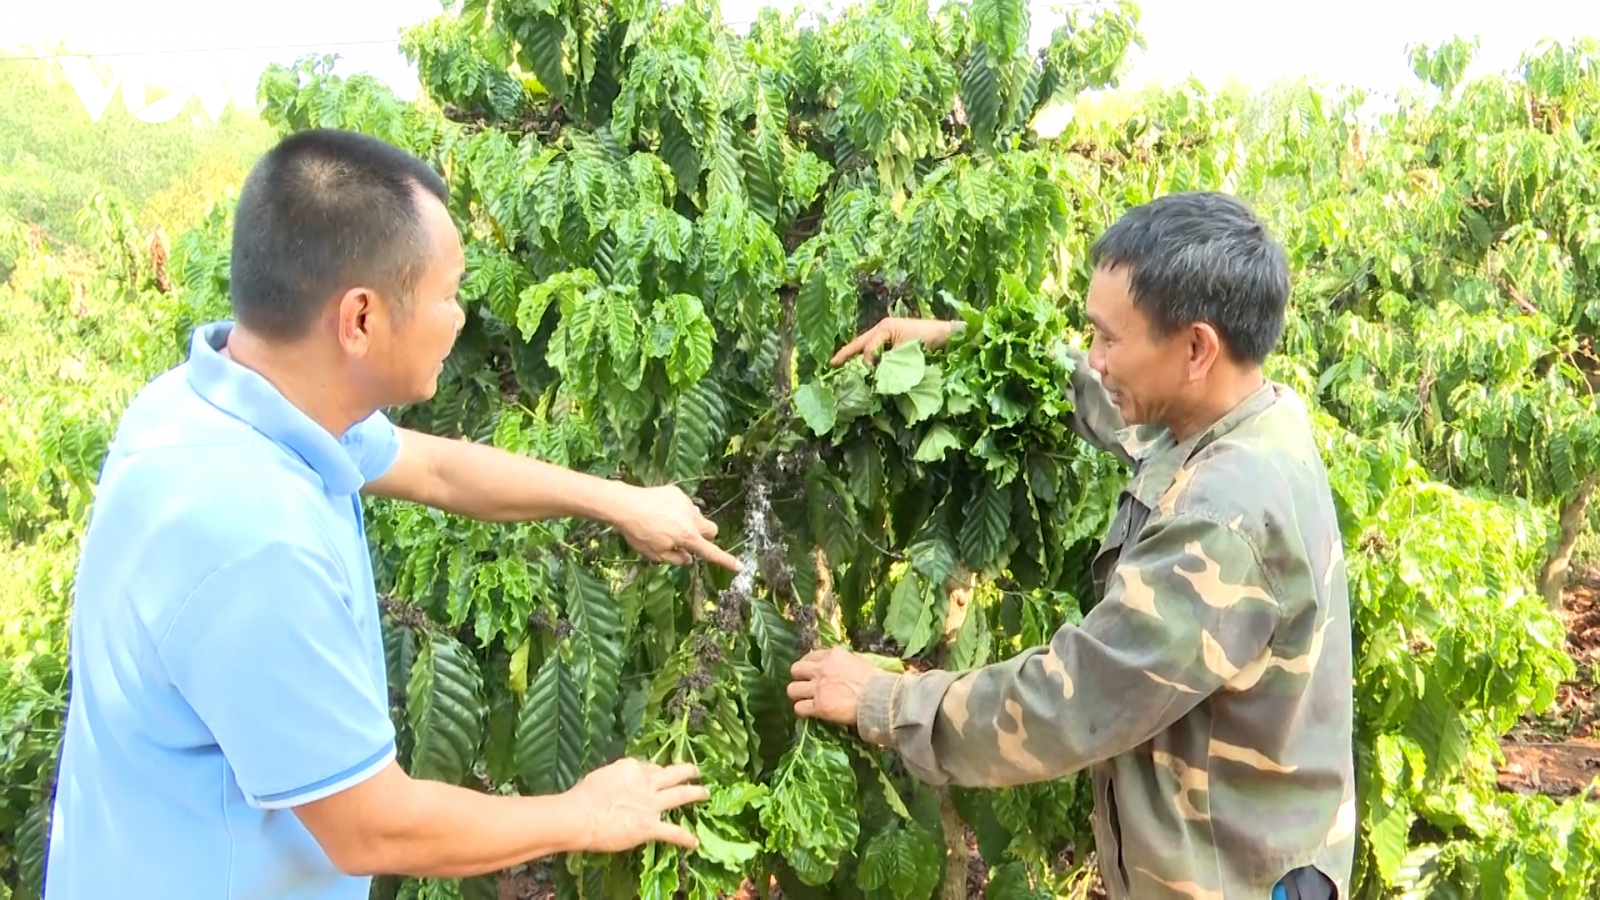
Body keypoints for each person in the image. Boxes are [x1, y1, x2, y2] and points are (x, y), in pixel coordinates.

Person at [43, 129, 734, 899]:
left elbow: (436, 468)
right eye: (448, 293)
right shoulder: (249, 539)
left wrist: (618, 502)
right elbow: (373, 825)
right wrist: (587, 813)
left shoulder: (214, 400)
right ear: (361, 319)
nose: (462, 317)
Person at [787, 192, 1355, 900]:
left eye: (1110, 340)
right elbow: (1113, 408)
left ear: (1196, 348)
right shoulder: (1241, 414)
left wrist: (883, 701)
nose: (1097, 357)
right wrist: (958, 342)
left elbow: (1075, 700)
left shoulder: (1223, 518)